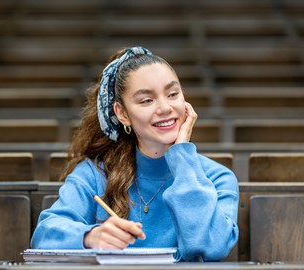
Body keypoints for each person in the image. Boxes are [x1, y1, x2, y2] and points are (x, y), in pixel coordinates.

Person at [31, 46, 239, 262]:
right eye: (146, 100)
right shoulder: (94, 174)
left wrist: (182, 158)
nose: (165, 107)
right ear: (122, 114)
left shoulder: (218, 178)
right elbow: (45, 234)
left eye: (173, 94)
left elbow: (211, 247)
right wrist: (91, 236)